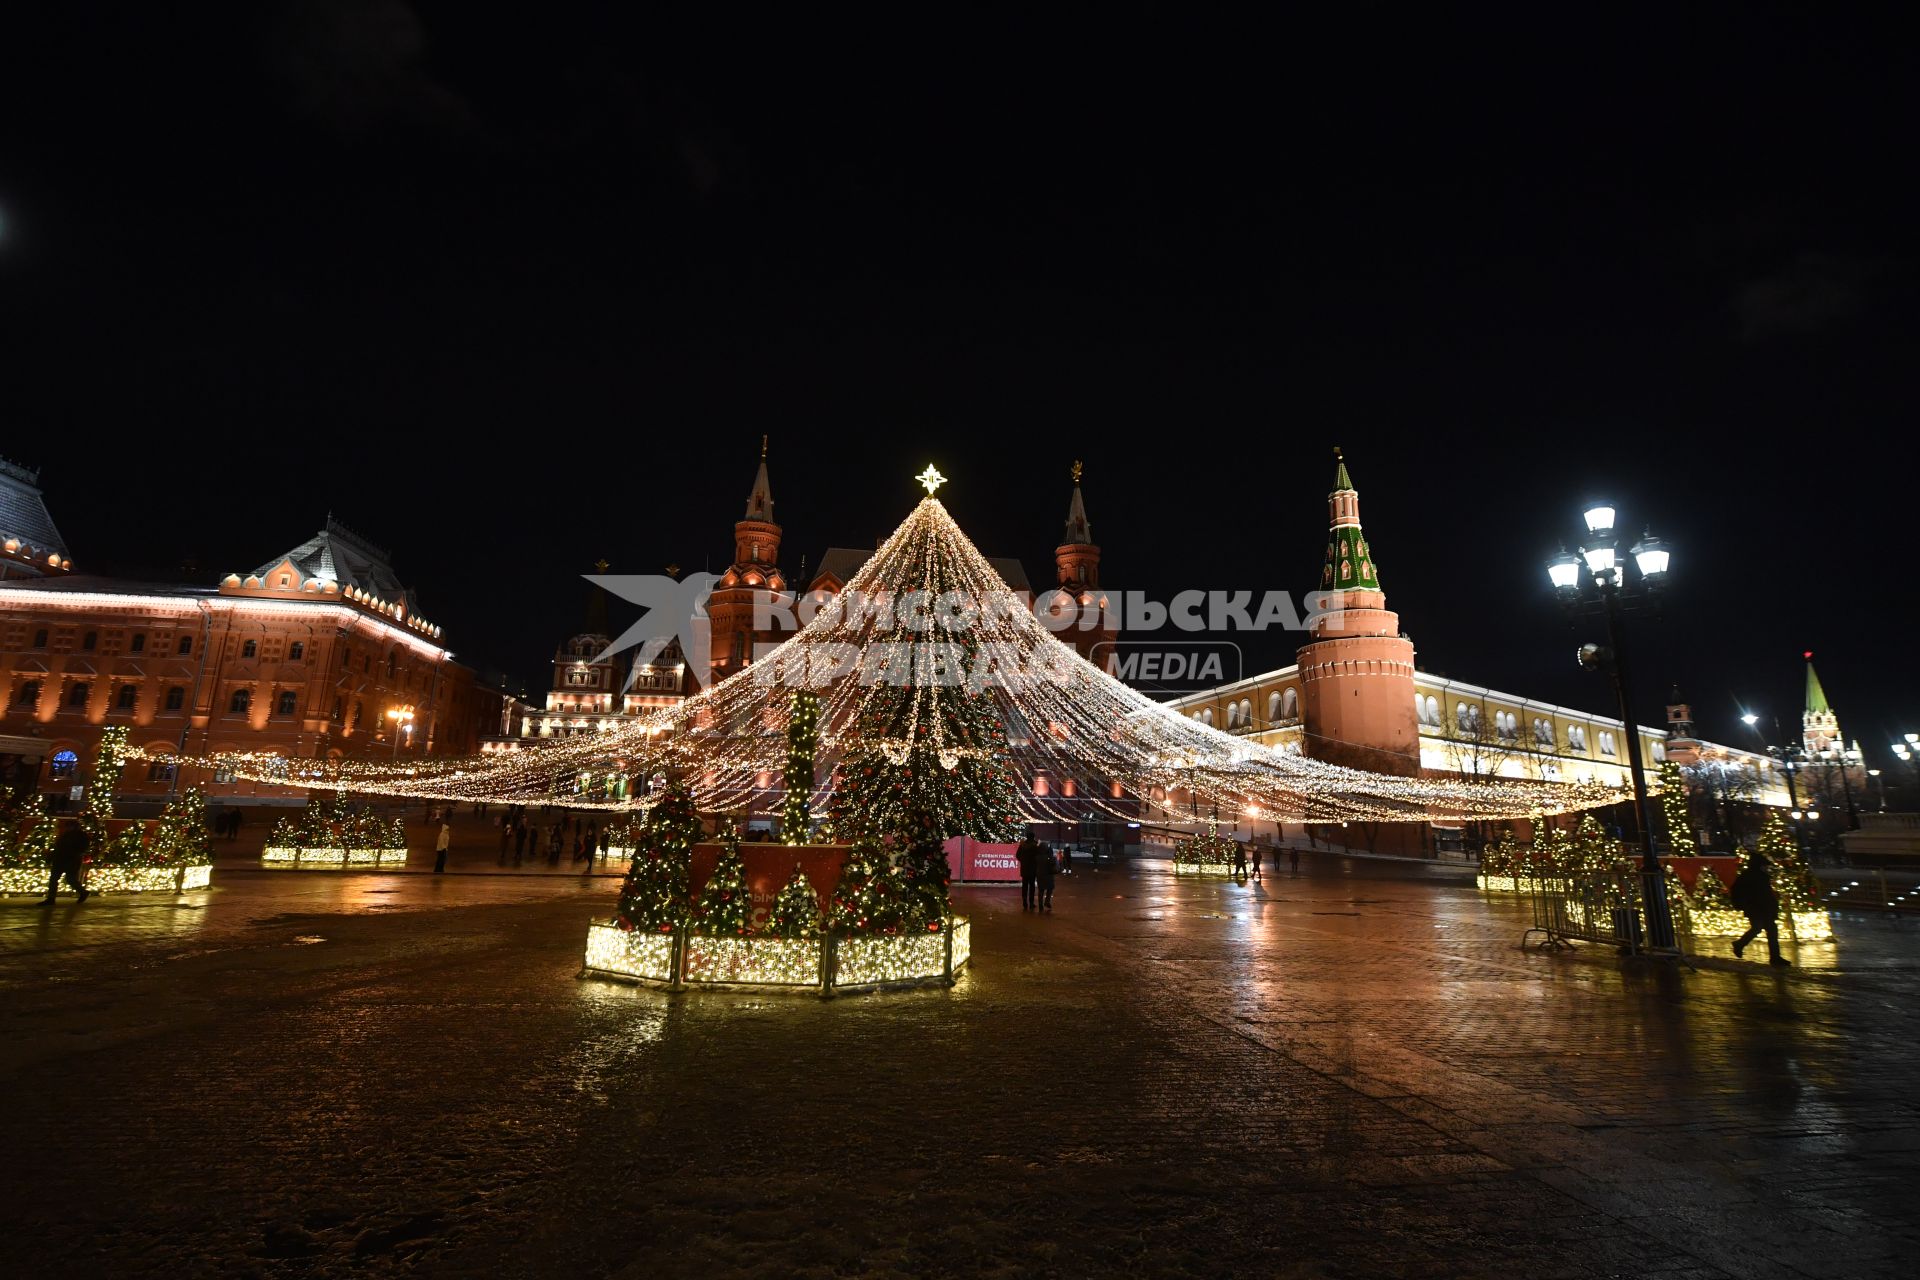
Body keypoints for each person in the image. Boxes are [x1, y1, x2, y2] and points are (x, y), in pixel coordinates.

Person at [1730, 853, 1789, 965]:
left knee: (1766, 929)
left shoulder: (1754, 876)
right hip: (1756, 908)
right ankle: (1774, 957)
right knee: (1761, 928)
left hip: (1760, 908)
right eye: (1763, 865)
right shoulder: (1753, 876)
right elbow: (1762, 894)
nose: (1765, 867)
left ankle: (1774, 957)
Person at [40, 817, 90, 904]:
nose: (68, 828)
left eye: (69, 826)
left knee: (70, 879)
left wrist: (74, 854)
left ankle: (83, 892)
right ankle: (51, 898)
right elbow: (59, 848)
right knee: (54, 879)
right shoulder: (66, 835)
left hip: (70, 860)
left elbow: (81, 848)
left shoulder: (80, 836)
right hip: (61, 860)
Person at [1016, 834, 1037, 909]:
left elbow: (1017, 855)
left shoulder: (1022, 845)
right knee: (1032, 887)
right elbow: (1037, 856)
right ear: (1033, 837)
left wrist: (1023, 861)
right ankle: (1031, 903)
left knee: (1024, 886)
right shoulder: (1035, 845)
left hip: (1024, 869)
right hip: (1033, 869)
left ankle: (1024, 902)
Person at [1035, 842, 1056, 911]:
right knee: (1049, 889)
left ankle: (1040, 905)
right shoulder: (1049, 857)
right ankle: (1047, 902)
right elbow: (1053, 865)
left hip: (1040, 875)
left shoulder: (1037, 857)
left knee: (1041, 890)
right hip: (1048, 875)